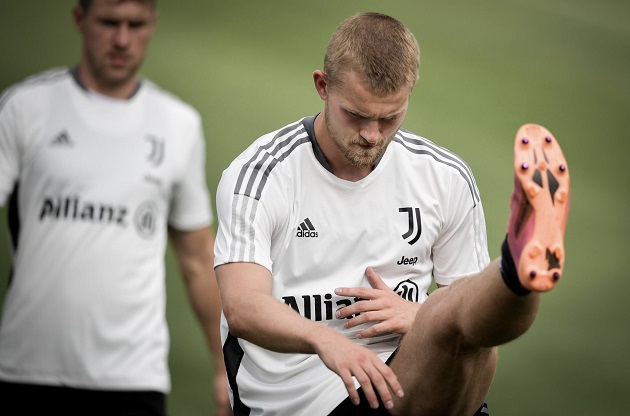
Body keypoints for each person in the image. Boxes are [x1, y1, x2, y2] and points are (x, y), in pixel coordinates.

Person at [213, 12, 570, 416]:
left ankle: (520, 269)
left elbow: (480, 328)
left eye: (389, 118)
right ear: (322, 86)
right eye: (356, 115)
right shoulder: (261, 174)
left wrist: (418, 316)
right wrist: (324, 340)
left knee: (464, 329)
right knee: (447, 319)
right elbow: (242, 306)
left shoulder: (444, 177)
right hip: (300, 402)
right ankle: (511, 267)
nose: (371, 135)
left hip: (406, 384)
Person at [0, 1, 231, 415]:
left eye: (135, 25)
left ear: (152, 24)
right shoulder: (24, 108)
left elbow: (197, 259)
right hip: (26, 367)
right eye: (109, 22)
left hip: (133, 376)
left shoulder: (178, 124)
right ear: (79, 19)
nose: (122, 39)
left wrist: (223, 368)